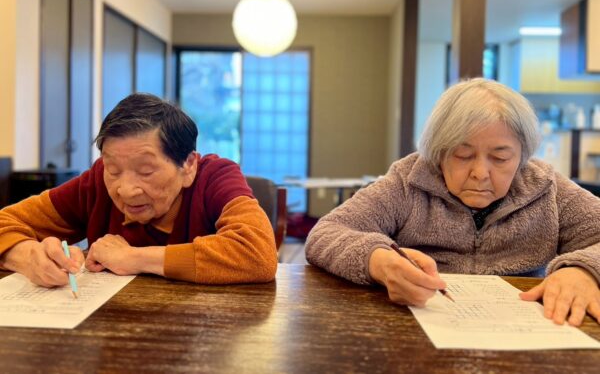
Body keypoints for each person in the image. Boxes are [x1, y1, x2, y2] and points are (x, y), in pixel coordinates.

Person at [305, 78, 600, 327]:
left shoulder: (546, 188)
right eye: (463, 155)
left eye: (500, 158)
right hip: (417, 326)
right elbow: (326, 233)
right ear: (439, 151)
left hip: (530, 328)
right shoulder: (407, 183)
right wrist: (378, 261)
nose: (480, 173)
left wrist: (583, 269)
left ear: (522, 155)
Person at [0, 93, 278, 286]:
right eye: (113, 170)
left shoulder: (215, 177)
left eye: (145, 171)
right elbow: (6, 221)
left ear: (188, 165)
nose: (125, 190)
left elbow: (257, 254)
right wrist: (27, 257)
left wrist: (133, 258)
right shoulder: (97, 182)